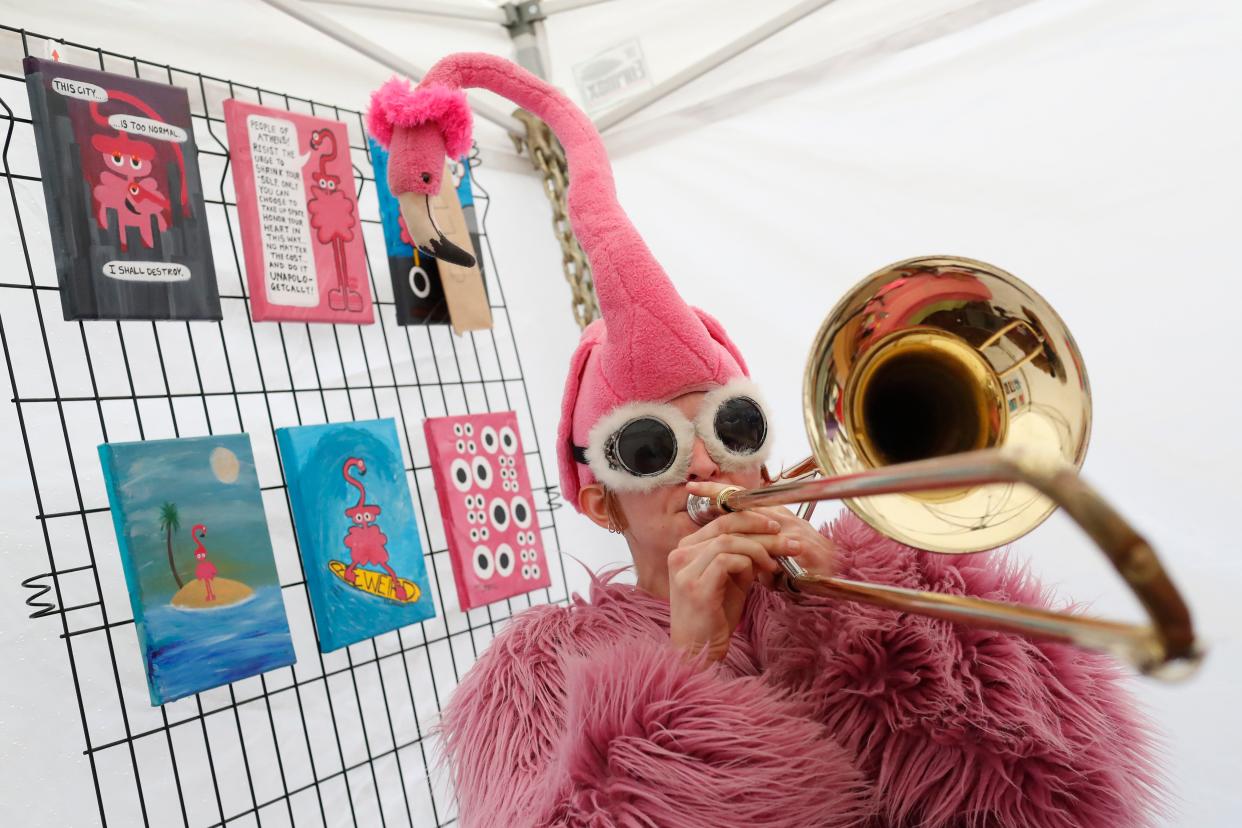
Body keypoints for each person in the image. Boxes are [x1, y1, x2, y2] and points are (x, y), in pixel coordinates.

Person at [368, 53, 1160, 827]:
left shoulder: (905, 575)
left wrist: (865, 629)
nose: (709, 461)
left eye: (732, 426)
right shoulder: (536, 675)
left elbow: (1075, 796)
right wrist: (686, 673)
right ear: (601, 503)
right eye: (652, 449)